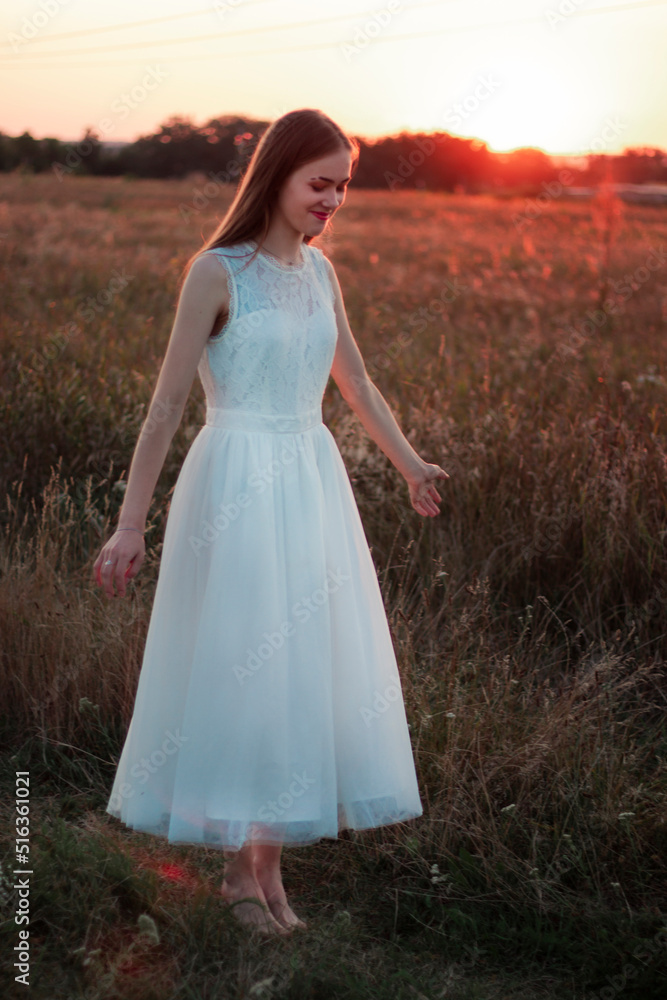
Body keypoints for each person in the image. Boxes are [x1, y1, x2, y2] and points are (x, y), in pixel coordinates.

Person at [93, 108, 449, 937]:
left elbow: (355, 382)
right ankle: (235, 877)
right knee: (246, 670)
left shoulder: (323, 276)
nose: (332, 201)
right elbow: (167, 405)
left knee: (297, 673)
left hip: (312, 485)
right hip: (235, 485)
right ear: (277, 177)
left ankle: (268, 873)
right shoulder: (216, 272)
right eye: (318, 183)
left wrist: (410, 466)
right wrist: (130, 523)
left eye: (343, 187)